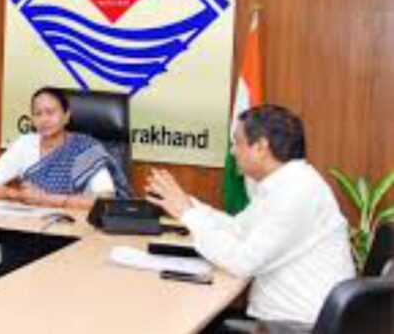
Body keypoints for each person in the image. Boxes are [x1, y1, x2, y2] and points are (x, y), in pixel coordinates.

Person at [145, 105, 355, 325]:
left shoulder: (295, 192)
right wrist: (188, 205)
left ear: (261, 147)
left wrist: (187, 214)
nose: (233, 151)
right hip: (290, 321)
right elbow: (238, 229)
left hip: (297, 326)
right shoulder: (287, 183)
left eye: (237, 142)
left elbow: (242, 262)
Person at [0, 87, 130, 209]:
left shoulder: (86, 149)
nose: (44, 119)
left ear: (66, 116)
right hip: (31, 224)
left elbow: (105, 201)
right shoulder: (25, 143)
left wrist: (46, 199)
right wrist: (19, 195)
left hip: (74, 226)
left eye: (50, 112)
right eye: (38, 114)